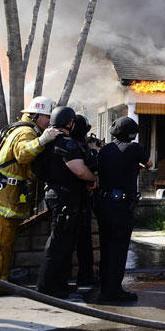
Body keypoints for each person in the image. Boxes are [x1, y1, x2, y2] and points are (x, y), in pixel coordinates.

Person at [0, 96, 59, 295]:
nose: (49, 122)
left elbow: (22, 166)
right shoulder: (26, 132)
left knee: (5, 244)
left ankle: (0, 282)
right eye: (47, 117)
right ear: (36, 115)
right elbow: (23, 153)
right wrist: (44, 140)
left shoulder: (20, 129)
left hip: (7, 199)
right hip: (2, 199)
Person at [36, 106, 97, 298]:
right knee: (58, 242)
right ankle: (47, 286)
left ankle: (59, 284)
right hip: (65, 197)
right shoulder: (67, 144)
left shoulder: (46, 143)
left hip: (57, 194)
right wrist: (93, 179)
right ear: (69, 123)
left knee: (64, 242)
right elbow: (79, 170)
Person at [96, 116, 152, 303]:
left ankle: (105, 285)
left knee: (106, 246)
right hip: (121, 206)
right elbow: (149, 164)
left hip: (103, 203)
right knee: (118, 249)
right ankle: (114, 291)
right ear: (132, 134)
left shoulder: (104, 150)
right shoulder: (134, 148)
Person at [70, 114, 99, 287]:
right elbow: (90, 167)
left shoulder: (67, 145)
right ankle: (85, 276)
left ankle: (62, 278)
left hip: (68, 199)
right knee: (83, 241)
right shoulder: (80, 147)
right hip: (80, 199)